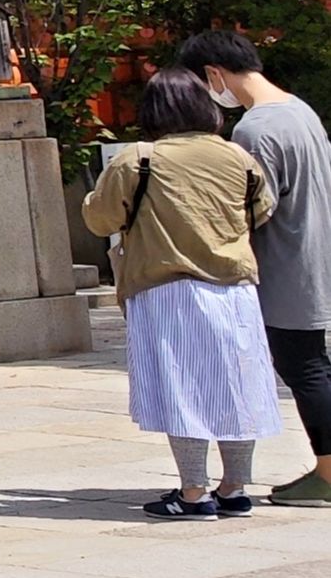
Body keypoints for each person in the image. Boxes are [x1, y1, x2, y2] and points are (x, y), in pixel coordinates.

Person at [87, 68, 286, 517]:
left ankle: (193, 492)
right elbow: (263, 210)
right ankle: (234, 488)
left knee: (182, 389)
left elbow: (100, 219)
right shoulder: (237, 156)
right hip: (234, 289)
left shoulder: (138, 159)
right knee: (238, 387)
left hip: (165, 289)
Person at [179, 30, 331, 505]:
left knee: (305, 368)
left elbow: (253, 207)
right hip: (313, 253)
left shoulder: (255, 130)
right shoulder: (298, 110)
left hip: (286, 267)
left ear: (213, 75)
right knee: (312, 365)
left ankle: (328, 475)